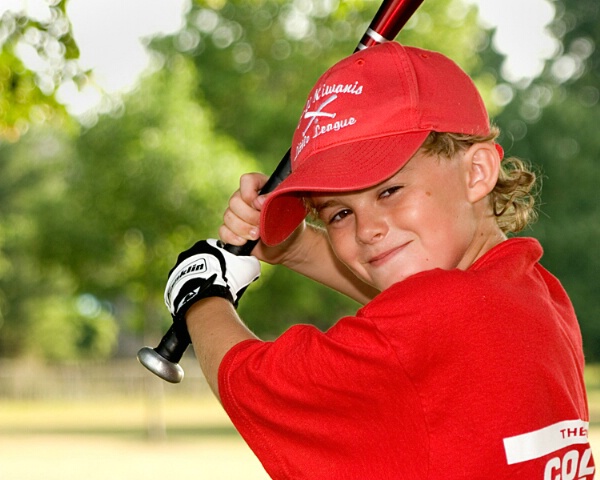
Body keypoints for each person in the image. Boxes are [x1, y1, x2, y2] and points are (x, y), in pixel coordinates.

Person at [164, 42, 595, 479]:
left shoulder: (438, 318)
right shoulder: (537, 294)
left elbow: (252, 386)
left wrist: (200, 296)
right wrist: (294, 247)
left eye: (389, 191)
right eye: (339, 214)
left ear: (476, 172)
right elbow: (414, 309)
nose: (367, 230)